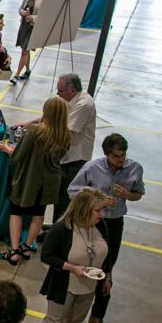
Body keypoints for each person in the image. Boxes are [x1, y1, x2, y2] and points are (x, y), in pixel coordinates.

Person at [67, 133, 145, 323]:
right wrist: (97, 201)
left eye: (123, 155)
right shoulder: (92, 168)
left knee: (107, 268)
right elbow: (73, 191)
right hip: (91, 223)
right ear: (107, 154)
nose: (121, 160)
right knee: (82, 263)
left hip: (115, 224)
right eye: (117, 156)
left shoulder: (134, 169)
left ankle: (97, 316)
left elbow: (138, 193)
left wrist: (128, 195)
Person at [38, 188, 113, 323]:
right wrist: (72, 268)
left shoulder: (100, 225)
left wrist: (107, 277)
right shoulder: (62, 228)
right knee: (54, 321)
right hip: (63, 285)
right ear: (83, 210)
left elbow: (107, 254)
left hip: (89, 286)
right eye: (97, 210)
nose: (101, 214)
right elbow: (46, 256)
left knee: (75, 319)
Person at [0, 96, 70, 265]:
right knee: (38, 215)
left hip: (29, 179)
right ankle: (27, 247)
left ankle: (14, 251)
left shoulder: (35, 132)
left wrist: (7, 148)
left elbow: (17, 157)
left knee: (16, 212)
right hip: (49, 182)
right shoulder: (65, 135)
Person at [51, 73, 97, 224]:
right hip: (66, 155)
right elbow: (52, 118)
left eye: (60, 91)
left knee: (66, 197)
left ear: (71, 90)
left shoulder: (84, 105)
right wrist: (29, 123)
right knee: (58, 195)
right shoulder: (68, 99)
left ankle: (61, 229)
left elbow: (67, 131)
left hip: (75, 158)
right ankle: (55, 226)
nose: (58, 94)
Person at [10, 0, 47, 85]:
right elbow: (21, 7)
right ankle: (28, 70)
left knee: (25, 51)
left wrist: (33, 18)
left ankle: (16, 75)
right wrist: (22, 12)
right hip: (24, 26)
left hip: (33, 27)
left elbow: (45, 15)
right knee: (25, 49)